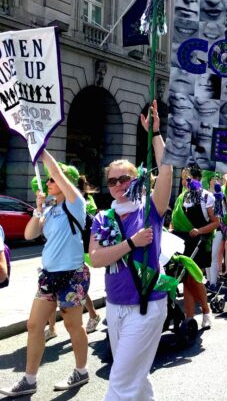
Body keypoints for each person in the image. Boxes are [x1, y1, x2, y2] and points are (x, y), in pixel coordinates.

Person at [88, 100, 173, 401]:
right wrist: (131, 243)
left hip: (147, 305)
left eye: (125, 178)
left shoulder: (150, 208)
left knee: (120, 382)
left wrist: (155, 134)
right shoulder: (103, 217)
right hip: (115, 305)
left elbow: (165, 175)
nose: (119, 185)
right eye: (112, 181)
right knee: (136, 378)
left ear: (136, 179)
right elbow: (96, 259)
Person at [0, 152, 90, 397]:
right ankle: (29, 379)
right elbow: (30, 235)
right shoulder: (48, 208)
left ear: (63, 184)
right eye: (48, 180)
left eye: (52, 180)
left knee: (73, 325)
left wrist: (41, 150)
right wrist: (38, 210)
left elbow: (59, 173)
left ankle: (81, 371)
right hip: (48, 276)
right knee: (33, 324)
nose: (49, 183)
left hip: (72, 275)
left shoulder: (75, 203)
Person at [44, 174, 101, 341]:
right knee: (54, 291)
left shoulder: (81, 201)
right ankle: (52, 327)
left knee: (77, 290)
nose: (48, 183)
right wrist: (41, 204)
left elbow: (85, 221)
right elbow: (46, 215)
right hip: (54, 252)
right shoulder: (53, 201)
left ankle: (92, 314)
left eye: (53, 180)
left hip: (75, 251)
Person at [170, 164, 220, 329]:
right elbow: (175, 218)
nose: (185, 182)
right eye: (183, 179)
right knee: (186, 281)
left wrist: (199, 230)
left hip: (200, 243)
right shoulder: (181, 197)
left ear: (198, 179)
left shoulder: (207, 197)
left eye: (188, 178)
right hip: (183, 243)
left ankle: (206, 311)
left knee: (194, 279)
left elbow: (215, 223)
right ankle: (189, 319)